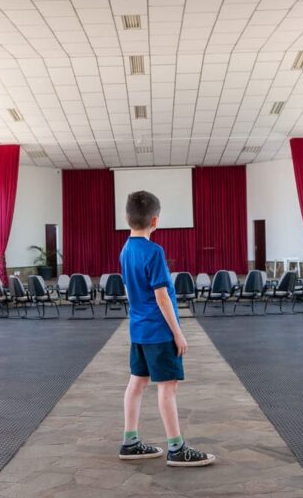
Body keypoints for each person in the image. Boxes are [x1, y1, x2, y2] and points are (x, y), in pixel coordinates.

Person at [118, 190, 215, 467]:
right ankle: (176, 448)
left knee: (136, 382)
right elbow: (162, 297)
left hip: (138, 329)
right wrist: (178, 332)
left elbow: (130, 291)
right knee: (167, 386)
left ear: (127, 218)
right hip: (159, 332)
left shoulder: (125, 250)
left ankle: (130, 441)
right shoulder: (154, 251)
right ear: (156, 221)